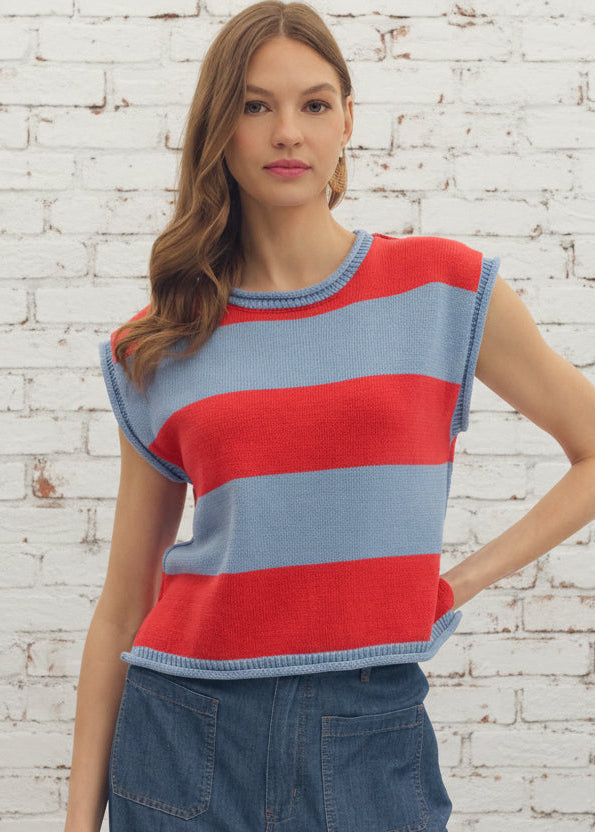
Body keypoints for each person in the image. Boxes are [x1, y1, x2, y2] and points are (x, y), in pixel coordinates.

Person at [64, 2, 595, 831]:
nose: (287, 132)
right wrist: (75, 824)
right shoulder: (162, 342)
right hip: (183, 736)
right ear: (219, 128)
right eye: (254, 105)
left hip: (368, 732)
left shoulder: (442, 289)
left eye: (313, 104)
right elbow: (123, 606)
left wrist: (454, 583)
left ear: (347, 120)